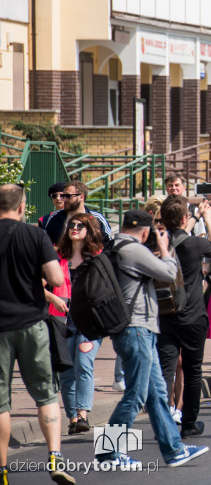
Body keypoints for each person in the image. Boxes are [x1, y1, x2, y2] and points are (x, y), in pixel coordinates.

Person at [100, 209, 209, 468]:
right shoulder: (132, 249)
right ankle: (108, 453)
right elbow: (170, 273)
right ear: (146, 231)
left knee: (158, 394)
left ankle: (173, 450)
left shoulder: (116, 246)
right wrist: (165, 249)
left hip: (138, 329)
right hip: (136, 329)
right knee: (135, 395)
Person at [0, 184, 76, 484]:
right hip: (32, 323)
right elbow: (56, 277)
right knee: (45, 394)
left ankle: (2, 470)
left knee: (1, 402)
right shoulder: (34, 235)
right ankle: (55, 458)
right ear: (21, 207)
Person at [155, 196, 211, 438]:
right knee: (193, 371)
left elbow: (177, 231)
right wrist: (208, 220)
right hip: (192, 316)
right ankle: (189, 423)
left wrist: (191, 218)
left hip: (164, 316)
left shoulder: (156, 242)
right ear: (184, 218)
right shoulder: (194, 244)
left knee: (164, 371)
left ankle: (162, 422)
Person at [52, 214, 102, 436]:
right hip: (64, 319)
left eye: (79, 225)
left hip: (90, 320)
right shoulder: (58, 256)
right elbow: (36, 283)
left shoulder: (98, 256)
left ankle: (82, 414)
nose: (74, 228)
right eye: (70, 225)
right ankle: (73, 418)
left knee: (83, 362)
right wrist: (52, 298)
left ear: (89, 229)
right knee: (67, 370)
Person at [42, 181, 112, 246]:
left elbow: (108, 243)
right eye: (63, 196)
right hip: (63, 258)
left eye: (68, 196)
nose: (64, 199)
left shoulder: (96, 218)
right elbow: (45, 244)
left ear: (81, 197)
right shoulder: (55, 217)